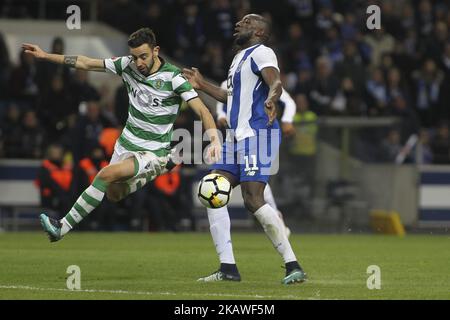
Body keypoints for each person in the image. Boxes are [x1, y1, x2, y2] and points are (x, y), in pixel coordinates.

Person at [23, 27, 221, 242]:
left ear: (156, 51)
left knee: (104, 175)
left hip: (152, 150)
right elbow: (86, 63)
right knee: (113, 193)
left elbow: (202, 110)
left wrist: (213, 140)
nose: (139, 63)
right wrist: (45, 56)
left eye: (143, 56)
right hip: (126, 144)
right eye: (135, 57)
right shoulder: (126, 65)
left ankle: (61, 227)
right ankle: (163, 167)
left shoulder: (174, 78)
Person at [184, 14, 307, 285]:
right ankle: (228, 267)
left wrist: (273, 99)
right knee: (211, 191)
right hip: (236, 138)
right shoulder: (238, 58)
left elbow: (275, 81)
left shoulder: (262, 52)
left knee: (253, 199)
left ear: (260, 32)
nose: (239, 24)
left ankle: (293, 265)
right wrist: (202, 85)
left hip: (257, 134)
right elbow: (232, 96)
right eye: (239, 21)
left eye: (247, 22)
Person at [216, 80, 294, 237]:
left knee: (255, 178)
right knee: (253, 179)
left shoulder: (261, 81)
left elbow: (288, 102)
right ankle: (276, 217)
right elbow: (222, 100)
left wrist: (287, 120)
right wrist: (221, 115)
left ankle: (276, 220)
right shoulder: (229, 82)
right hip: (235, 137)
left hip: (258, 136)